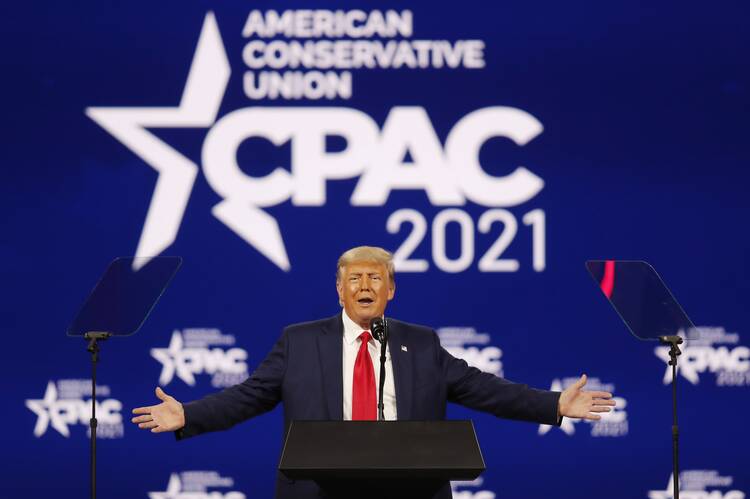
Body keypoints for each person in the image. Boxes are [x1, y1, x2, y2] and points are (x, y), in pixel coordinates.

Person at [132, 246, 615, 499]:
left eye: (375, 278)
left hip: (408, 490)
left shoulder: (420, 343)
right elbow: (249, 395)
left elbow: (482, 388)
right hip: (320, 491)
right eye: (355, 279)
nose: (365, 286)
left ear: (391, 291)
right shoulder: (300, 341)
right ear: (339, 291)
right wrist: (189, 415)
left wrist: (553, 404)